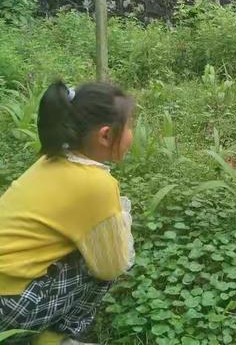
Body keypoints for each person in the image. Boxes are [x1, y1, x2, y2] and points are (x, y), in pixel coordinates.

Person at [0, 81, 136, 345]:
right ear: (106, 135)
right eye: (130, 125)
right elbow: (113, 266)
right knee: (104, 257)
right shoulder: (97, 184)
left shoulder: (51, 159)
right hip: (10, 305)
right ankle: (56, 338)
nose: (132, 132)